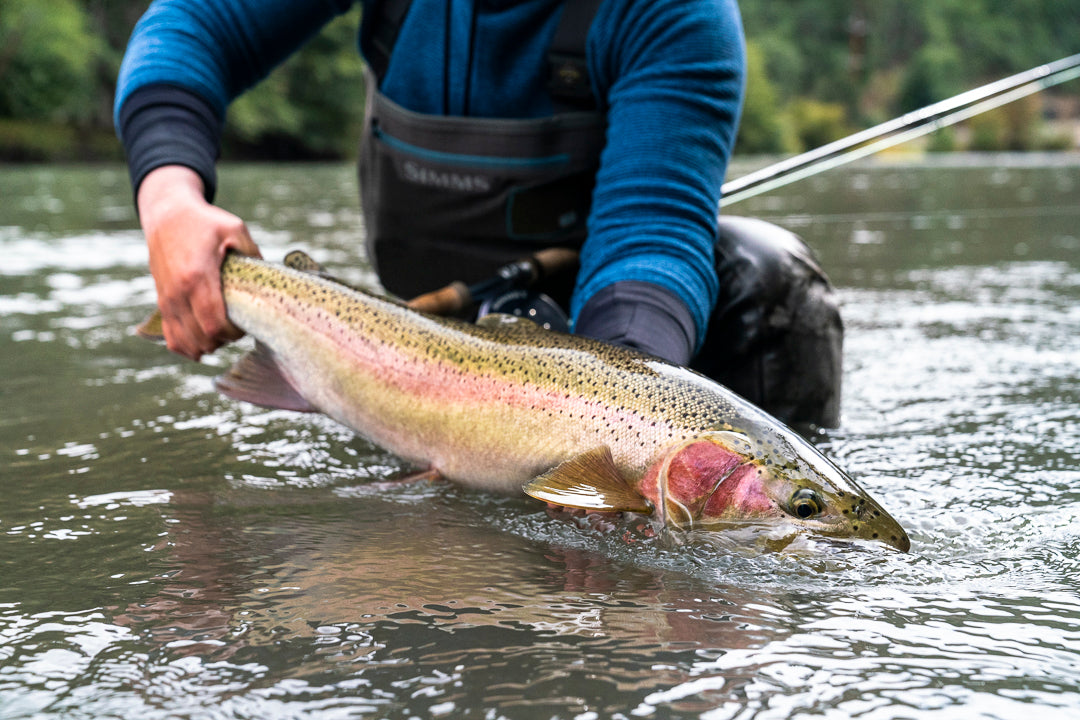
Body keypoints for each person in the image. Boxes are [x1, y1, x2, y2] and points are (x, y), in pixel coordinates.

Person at [115, 0, 842, 427]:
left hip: (605, 330)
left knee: (767, 273)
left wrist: (614, 428)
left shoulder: (680, 15)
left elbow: (650, 236)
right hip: (420, 326)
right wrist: (170, 201)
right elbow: (192, 26)